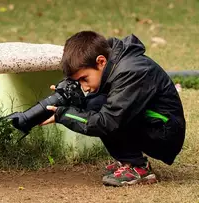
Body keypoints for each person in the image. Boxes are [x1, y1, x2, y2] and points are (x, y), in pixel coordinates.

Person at [41, 31, 186, 187]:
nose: (85, 86)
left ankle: (137, 167)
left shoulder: (131, 71)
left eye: (84, 79)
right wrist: (73, 99)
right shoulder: (115, 63)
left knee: (100, 111)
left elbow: (107, 121)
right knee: (94, 103)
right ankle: (127, 162)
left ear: (101, 61)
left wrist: (63, 115)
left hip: (165, 132)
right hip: (153, 121)